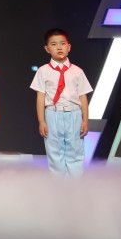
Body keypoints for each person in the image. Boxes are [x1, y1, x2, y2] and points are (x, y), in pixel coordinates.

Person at [29, 28, 92, 177]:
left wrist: (85, 120)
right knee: (54, 152)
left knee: (75, 151)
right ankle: (59, 186)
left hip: (74, 114)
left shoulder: (77, 71)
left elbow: (83, 96)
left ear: (69, 47)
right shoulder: (43, 71)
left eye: (63, 44)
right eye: (54, 44)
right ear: (47, 49)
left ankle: (75, 185)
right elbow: (40, 97)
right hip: (53, 114)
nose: (59, 47)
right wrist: (41, 121)